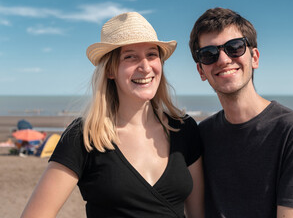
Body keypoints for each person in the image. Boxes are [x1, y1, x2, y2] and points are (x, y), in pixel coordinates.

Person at [21, 12, 204, 218]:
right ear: (110, 70)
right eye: (130, 56)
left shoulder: (185, 129)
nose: (145, 67)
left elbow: (199, 215)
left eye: (152, 55)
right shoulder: (85, 136)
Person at [189, 7, 293, 218]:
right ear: (201, 71)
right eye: (209, 54)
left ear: (255, 58)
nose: (223, 60)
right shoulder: (201, 135)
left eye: (234, 47)